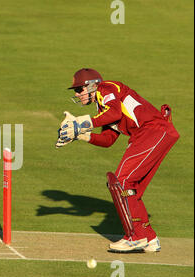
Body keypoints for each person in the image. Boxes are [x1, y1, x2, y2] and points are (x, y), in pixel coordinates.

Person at [56, 68, 179, 253]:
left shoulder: (106, 88)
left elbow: (114, 114)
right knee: (130, 187)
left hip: (152, 131)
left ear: (92, 85)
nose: (77, 94)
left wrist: (82, 122)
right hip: (149, 134)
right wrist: (81, 136)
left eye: (79, 89)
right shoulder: (102, 107)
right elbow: (108, 140)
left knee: (122, 181)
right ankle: (149, 237)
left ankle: (135, 238)